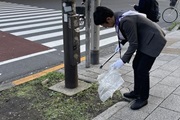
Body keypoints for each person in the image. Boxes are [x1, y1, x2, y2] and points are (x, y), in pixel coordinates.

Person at [93, 6, 167, 110]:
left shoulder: (125, 21)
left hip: (153, 40)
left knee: (142, 69)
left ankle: (143, 98)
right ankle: (137, 92)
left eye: (103, 25)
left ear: (108, 19)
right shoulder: (117, 16)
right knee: (136, 64)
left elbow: (133, 44)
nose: (105, 27)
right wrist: (121, 43)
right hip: (145, 38)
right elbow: (129, 33)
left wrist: (122, 60)